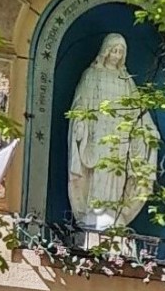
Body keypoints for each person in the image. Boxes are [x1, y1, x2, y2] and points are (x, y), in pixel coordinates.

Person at [68, 33, 159, 230]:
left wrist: (149, 129)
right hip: (99, 134)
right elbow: (81, 102)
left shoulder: (126, 80)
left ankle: (113, 212)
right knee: (101, 172)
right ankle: (96, 211)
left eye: (120, 52)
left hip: (121, 136)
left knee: (117, 175)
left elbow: (138, 110)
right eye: (114, 51)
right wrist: (80, 121)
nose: (116, 55)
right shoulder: (92, 75)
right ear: (106, 51)